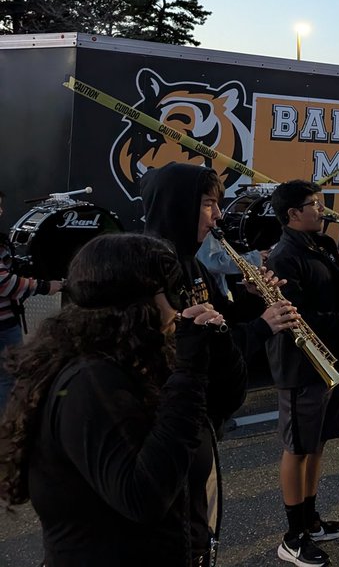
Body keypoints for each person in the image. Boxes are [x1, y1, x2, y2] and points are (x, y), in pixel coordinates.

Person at [0, 233, 227, 566]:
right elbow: (142, 497)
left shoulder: (136, 354)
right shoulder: (91, 383)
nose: (181, 303)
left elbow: (223, 401)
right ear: (137, 302)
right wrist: (189, 371)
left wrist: (218, 343)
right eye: (173, 291)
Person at [267, 181, 339, 566]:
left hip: (332, 361)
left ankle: (310, 518)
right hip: (301, 365)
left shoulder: (322, 245)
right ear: (293, 213)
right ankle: (293, 537)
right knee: (296, 448)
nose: (321, 209)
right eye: (314, 204)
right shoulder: (283, 257)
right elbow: (293, 315)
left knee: (318, 442)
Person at [140, 163, 251, 436]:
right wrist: (263, 328)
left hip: (200, 415)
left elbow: (225, 317)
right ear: (178, 206)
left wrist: (258, 299)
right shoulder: (149, 270)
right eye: (207, 204)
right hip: (167, 421)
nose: (218, 215)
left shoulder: (192, 262)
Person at [0, 189, 64, 411]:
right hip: (3, 326)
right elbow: (4, 284)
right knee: (7, 378)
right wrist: (46, 287)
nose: (1, 211)